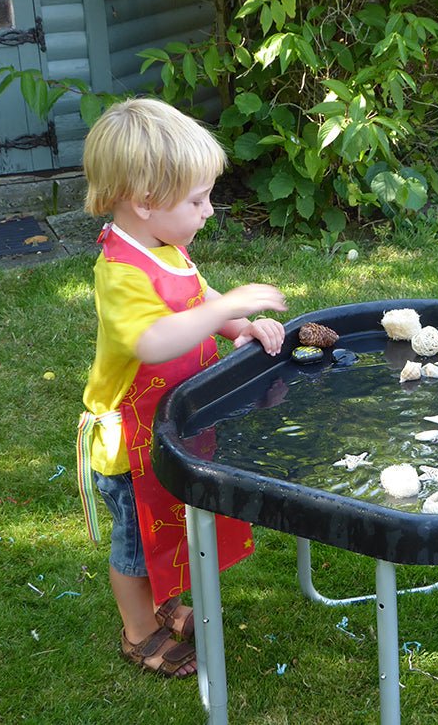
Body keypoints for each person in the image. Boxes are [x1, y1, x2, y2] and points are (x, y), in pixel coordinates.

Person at [75, 98, 288, 678]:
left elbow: (199, 299)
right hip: (129, 441)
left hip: (174, 420)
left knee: (171, 519)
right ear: (145, 202)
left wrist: (236, 321)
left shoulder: (167, 247)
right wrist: (239, 302)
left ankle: (163, 601)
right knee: (137, 542)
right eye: (197, 200)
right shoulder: (119, 271)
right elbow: (154, 342)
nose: (209, 210)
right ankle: (139, 631)